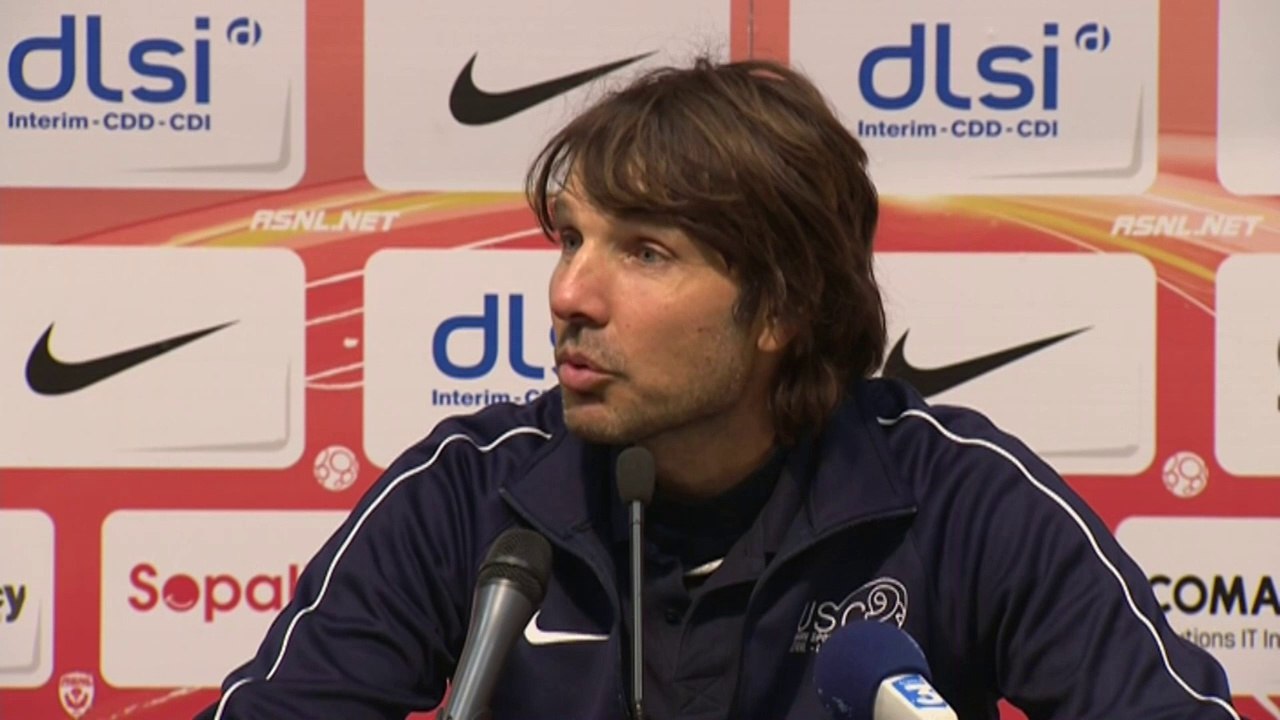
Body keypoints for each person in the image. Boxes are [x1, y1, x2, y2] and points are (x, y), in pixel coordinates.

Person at [197, 58, 1240, 720]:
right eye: (569, 240)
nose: (569, 292)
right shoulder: (470, 499)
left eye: (644, 252)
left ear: (780, 308)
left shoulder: (962, 499)